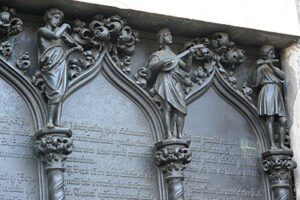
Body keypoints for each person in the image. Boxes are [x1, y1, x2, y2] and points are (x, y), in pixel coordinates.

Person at [147, 28, 191, 139]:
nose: (170, 37)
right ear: (162, 39)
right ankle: (168, 134)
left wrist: (190, 56)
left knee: (181, 109)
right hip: (165, 80)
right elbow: (151, 67)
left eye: (171, 35)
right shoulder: (158, 54)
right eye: (167, 35)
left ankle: (179, 135)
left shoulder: (173, 55)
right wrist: (162, 63)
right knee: (167, 108)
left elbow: (187, 68)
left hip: (176, 82)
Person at [38, 8, 78, 128]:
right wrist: (65, 25)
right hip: (49, 66)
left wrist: (73, 49)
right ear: (49, 17)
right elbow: (55, 36)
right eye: (56, 18)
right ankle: (49, 121)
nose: (58, 21)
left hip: (60, 65)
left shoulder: (58, 42)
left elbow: (62, 56)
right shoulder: (42, 31)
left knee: (61, 93)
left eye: (60, 20)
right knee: (55, 92)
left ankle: (57, 121)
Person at [251, 45, 288, 149]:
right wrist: (255, 67)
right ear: (266, 55)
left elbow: (283, 77)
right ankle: (271, 144)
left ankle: (281, 144)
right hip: (267, 91)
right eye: (271, 54)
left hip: (277, 92)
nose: (273, 55)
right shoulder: (261, 68)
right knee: (270, 118)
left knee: (283, 120)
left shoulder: (274, 68)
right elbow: (255, 83)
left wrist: (271, 66)